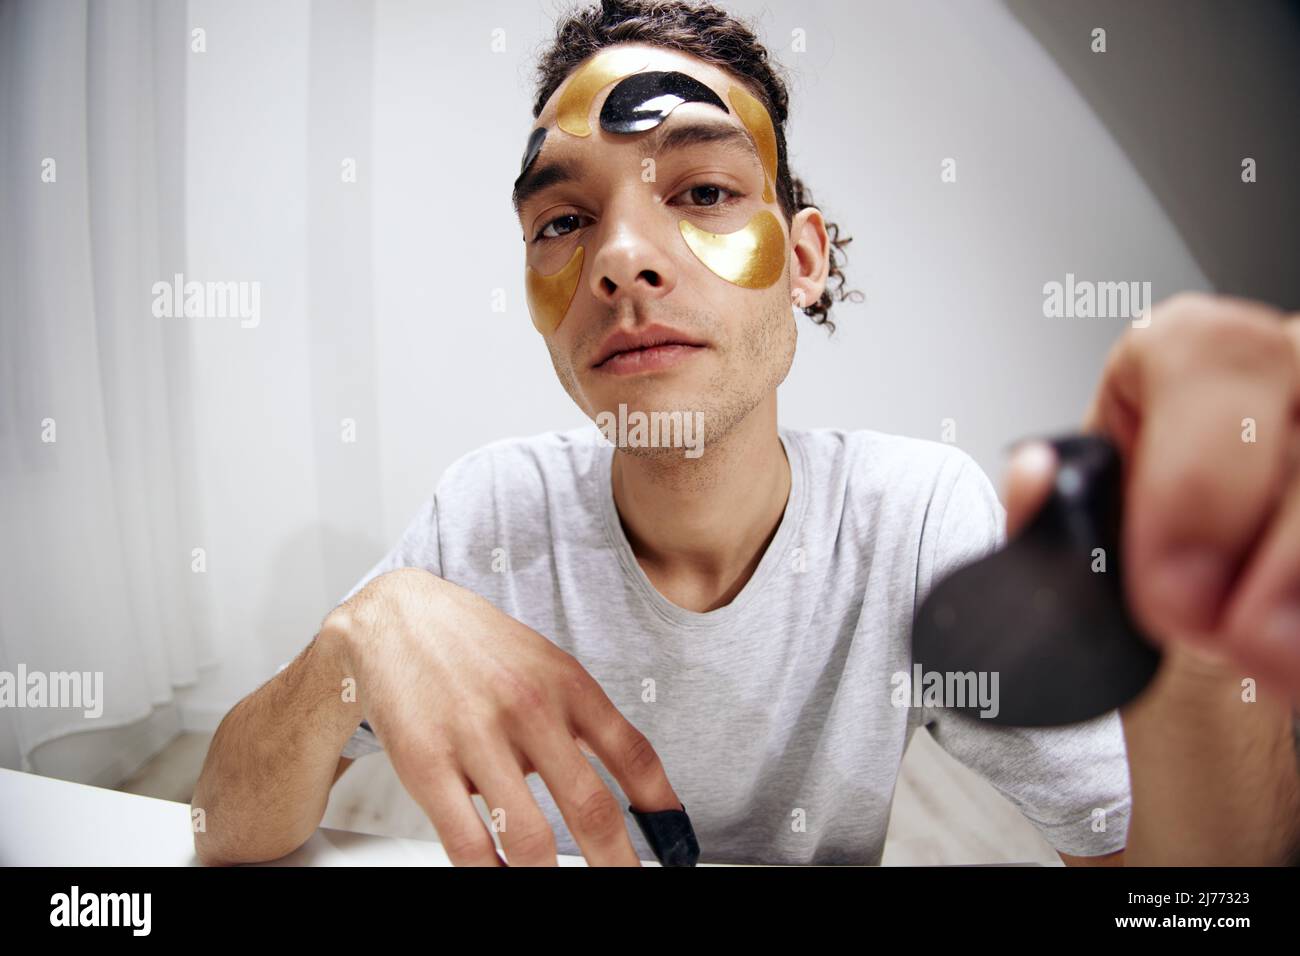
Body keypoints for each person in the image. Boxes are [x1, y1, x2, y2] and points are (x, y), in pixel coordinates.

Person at [192, 0, 1300, 867]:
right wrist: (352, 642)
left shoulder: (912, 520)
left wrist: (1206, 646)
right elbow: (217, 828)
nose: (622, 258)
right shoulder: (486, 516)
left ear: (807, 260)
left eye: (707, 189)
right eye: (563, 220)